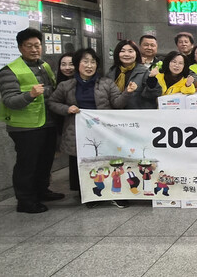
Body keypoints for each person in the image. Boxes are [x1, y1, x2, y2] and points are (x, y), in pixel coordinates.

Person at [48, 48, 134, 208]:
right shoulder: (66, 86)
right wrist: (67, 109)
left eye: (93, 62)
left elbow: (117, 103)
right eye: (85, 62)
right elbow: (52, 102)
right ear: (77, 64)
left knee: (108, 162)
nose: (89, 66)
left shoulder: (107, 83)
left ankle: (115, 194)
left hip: (103, 132)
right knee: (86, 165)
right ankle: (92, 195)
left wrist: (127, 93)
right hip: (78, 133)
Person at [0, 28, 64, 214]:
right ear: (20, 48)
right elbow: (10, 100)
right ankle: (25, 201)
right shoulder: (9, 71)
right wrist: (30, 95)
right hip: (25, 127)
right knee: (27, 164)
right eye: (29, 46)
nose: (34, 49)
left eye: (37, 45)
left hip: (47, 123)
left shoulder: (44, 66)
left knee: (45, 161)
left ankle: (42, 191)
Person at [107, 40, 161, 109]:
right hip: (115, 114)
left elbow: (154, 94)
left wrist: (151, 80)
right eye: (122, 51)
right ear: (117, 53)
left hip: (138, 113)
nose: (126, 54)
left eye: (130, 51)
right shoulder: (111, 73)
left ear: (136, 54)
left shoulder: (144, 72)